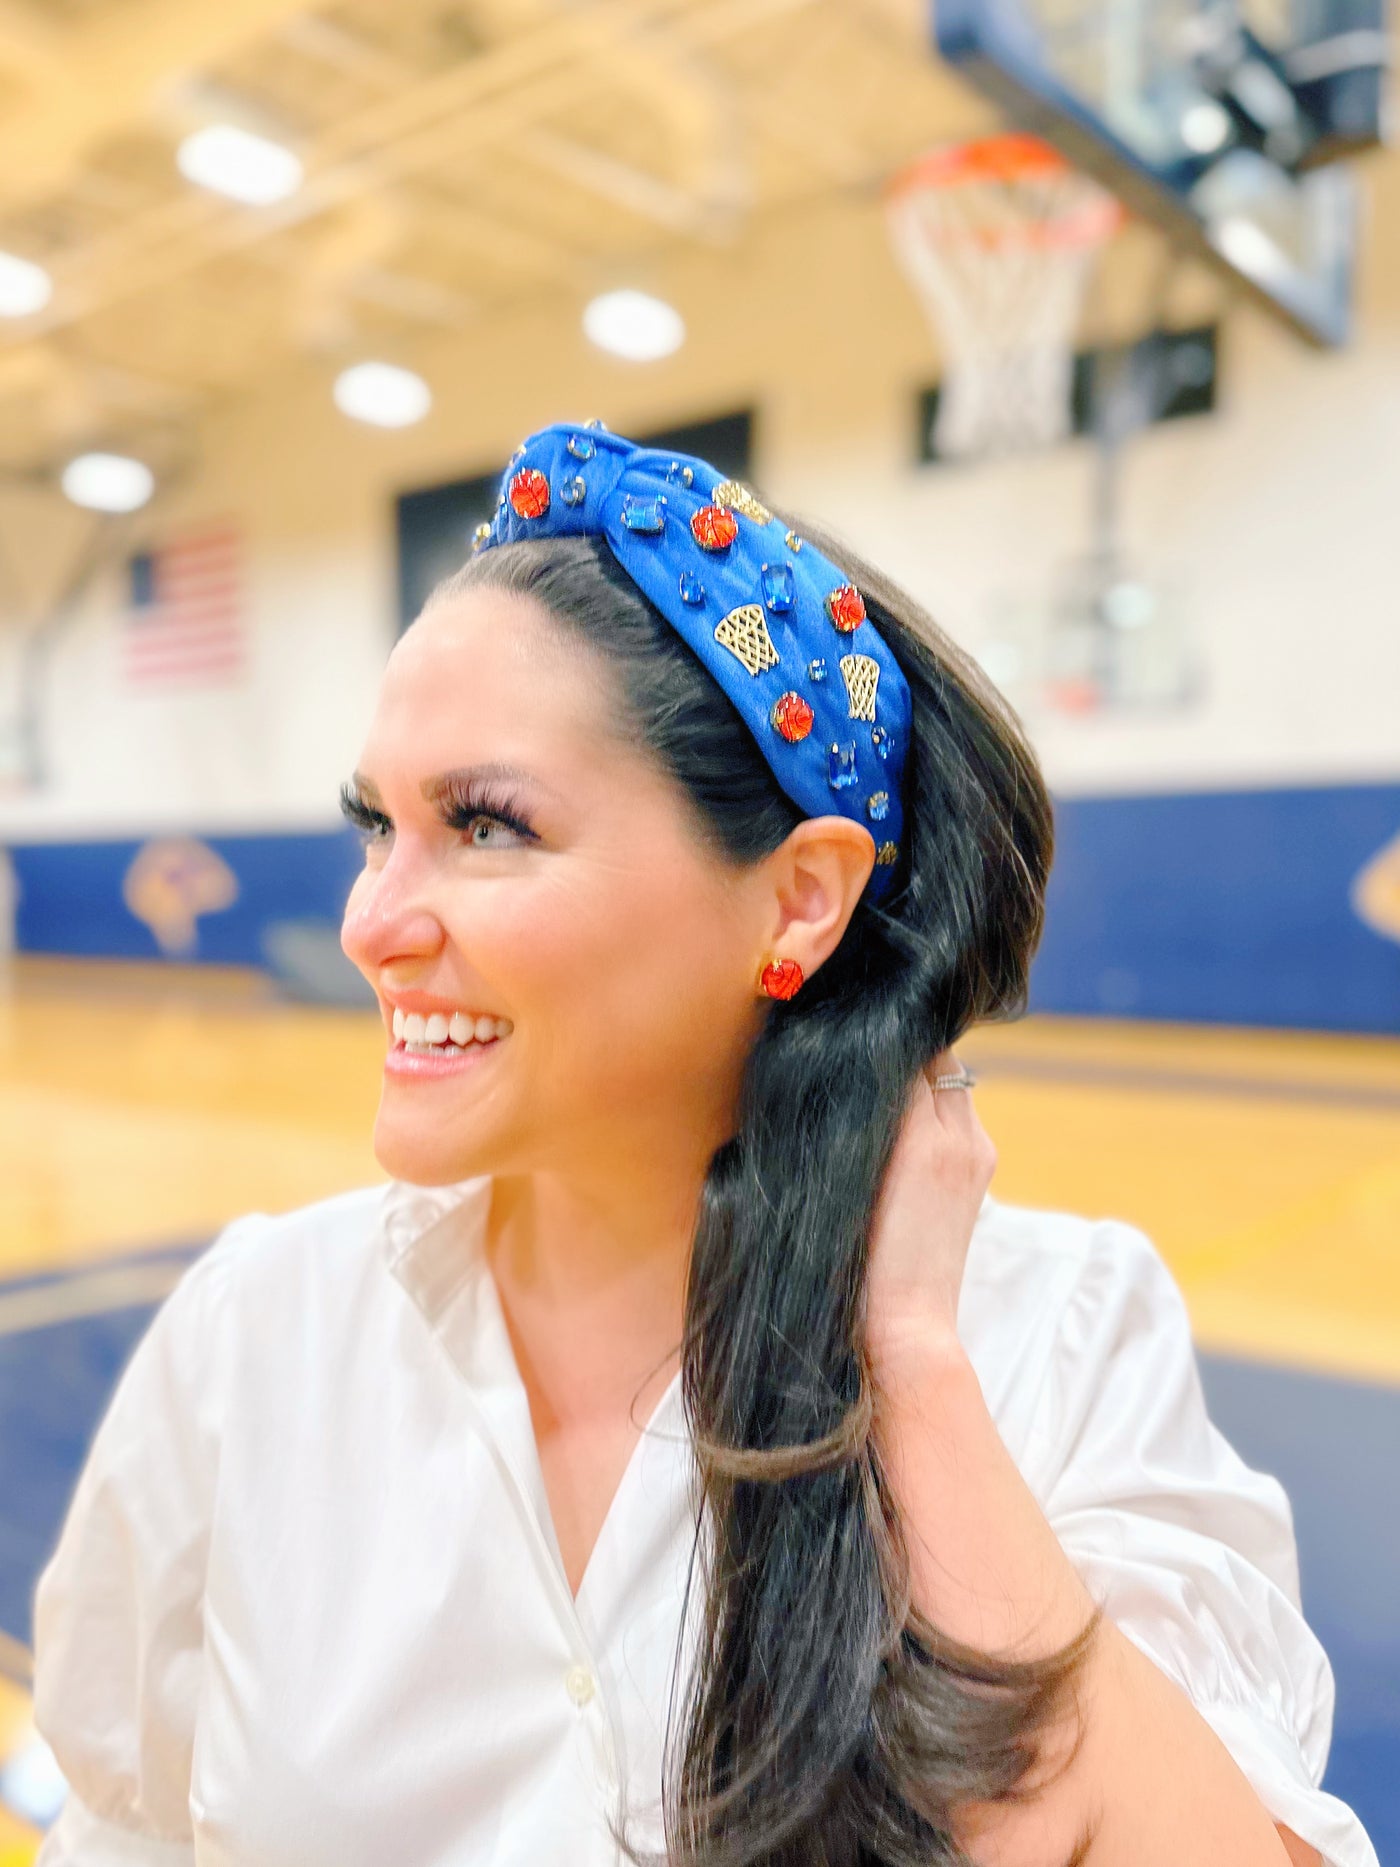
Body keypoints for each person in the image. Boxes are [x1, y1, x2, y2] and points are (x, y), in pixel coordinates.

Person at [30, 423, 1378, 1867]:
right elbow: (127, 1829)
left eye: (487, 826)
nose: (373, 924)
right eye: (378, 824)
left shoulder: (1053, 1339)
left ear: (799, 899)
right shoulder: (257, 1334)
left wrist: (913, 1368)